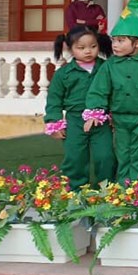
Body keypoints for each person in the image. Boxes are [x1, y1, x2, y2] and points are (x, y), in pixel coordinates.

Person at [85, 0, 138, 184]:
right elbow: (99, 90)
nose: (114, 45)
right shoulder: (109, 66)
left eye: (120, 40)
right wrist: (95, 112)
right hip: (119, 119)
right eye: (113, 40)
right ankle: (124, 189)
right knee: (123, 154)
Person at [46, 26, 115, 188]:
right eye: (81, 47)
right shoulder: (63, 73)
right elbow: (54, 100)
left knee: (105, 156)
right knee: (75, 157)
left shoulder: (106, 67)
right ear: (70, 48)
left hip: (101, 120)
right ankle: (75, 191)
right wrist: (54, 122)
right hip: (74, 121)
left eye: (93, 46)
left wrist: (113, 115)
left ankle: (107, 190)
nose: (88, 51)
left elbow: (115, 93)